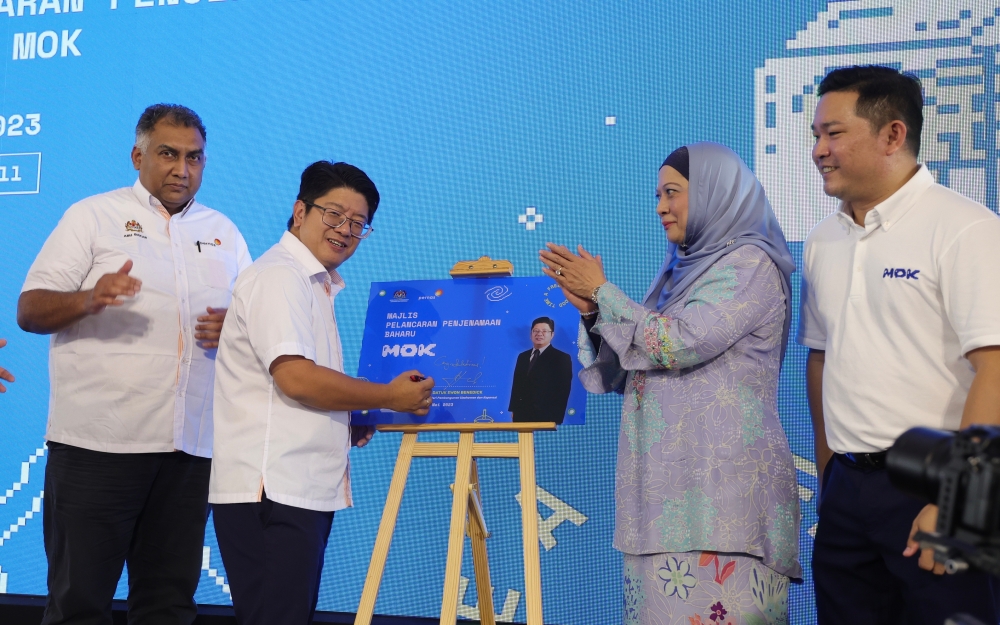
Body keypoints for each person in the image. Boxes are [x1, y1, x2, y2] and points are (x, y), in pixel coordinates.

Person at [541, 142, 800, 623]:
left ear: (715, 193)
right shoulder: (679, 275)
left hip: (724, 502)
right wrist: (596, 310)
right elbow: (635, 366)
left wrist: (602, 290)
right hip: (665, 501)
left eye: (672, 193)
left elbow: (678, 343)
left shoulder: (750, 265)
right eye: (657, 194)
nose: (660, 206)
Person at [16, 104, 251, 624]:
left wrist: (236, 327)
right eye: (168, 154)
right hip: (98, 448)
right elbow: (30, 309)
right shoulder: (92, 216)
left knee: (168, 606)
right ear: (138, 155)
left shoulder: (226, 233)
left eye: (194, 157)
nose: (182, 168)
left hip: (190, 452)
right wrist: (87, 299)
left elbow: (254, 329)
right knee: (79, 604)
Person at [801, 65, 1000, 624]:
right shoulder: (822, 242)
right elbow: (820, 360)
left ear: (893, 134)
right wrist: (828, 472)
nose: (819, 150)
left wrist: (958, 503)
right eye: (815, 135)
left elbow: (995, 369)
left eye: (834, 134)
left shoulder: (965, 228)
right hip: (846, 493)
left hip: (936, 486)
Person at [209, 161, 435, 625]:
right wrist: (386, 397)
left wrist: (347, 419)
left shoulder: (314, 284)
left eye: (358, 223)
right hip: (272, 490)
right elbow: (296, 378)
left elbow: (288, 390)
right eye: (334, 214)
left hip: (294, 487)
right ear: (299, 212)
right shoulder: (280, 277)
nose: (345, 229)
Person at [508, 316, 573, 423]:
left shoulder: (561, 357)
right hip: (521, 414)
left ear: (552, 335)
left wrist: (557, 418)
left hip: (546, 416)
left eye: (544, 331)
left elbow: (563, 390)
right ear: (531, 334)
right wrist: (514, 410)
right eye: (536, 331)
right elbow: (517, 384)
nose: (539, 334)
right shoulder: (522, 356)